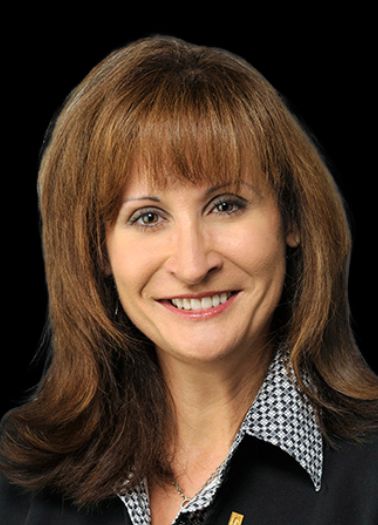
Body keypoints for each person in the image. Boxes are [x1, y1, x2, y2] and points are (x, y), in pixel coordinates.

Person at [0, 34, 377, 525]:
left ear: (291, 219)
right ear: (99, 250)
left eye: (226, 206)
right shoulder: (20, 475)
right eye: (148, 217)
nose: (193, 265)